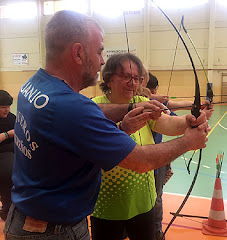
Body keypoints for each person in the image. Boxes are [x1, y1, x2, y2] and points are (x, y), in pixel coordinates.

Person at [4, 10, 209, 240]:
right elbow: (140, 161)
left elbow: (84, 113)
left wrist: (130, 109)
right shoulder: (75, 109)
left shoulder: (34, 86)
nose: (102, 60)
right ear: (78, 52)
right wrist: (189, 141)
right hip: (55, 231)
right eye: (99, 51)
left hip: (26, 217)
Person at [90, 53, 209, 240]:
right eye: (125, 76)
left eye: (136, 78)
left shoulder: (140, 102)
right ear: (109, 78)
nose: (132, 83)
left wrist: (188, 121)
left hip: (144, 202)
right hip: (107, 205)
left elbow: (167, 123)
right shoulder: (93, 107)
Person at [146, 73, 214, 239]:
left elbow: (173, 109)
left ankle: (156, 230)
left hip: (158, 157)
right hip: (147, 157)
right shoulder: (145, 104)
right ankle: (152, 229)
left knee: (156, 196)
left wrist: (197, 106)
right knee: (153, 198)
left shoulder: (156, 104)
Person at [0, 90, 15, 221]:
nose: (7, 110)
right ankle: (7, 209)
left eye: (8, 107)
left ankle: (8, 210)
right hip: (3, 153)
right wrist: (7, 134)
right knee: (8, 171)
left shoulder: (12, 117)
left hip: (12, 152)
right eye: (3, 107)